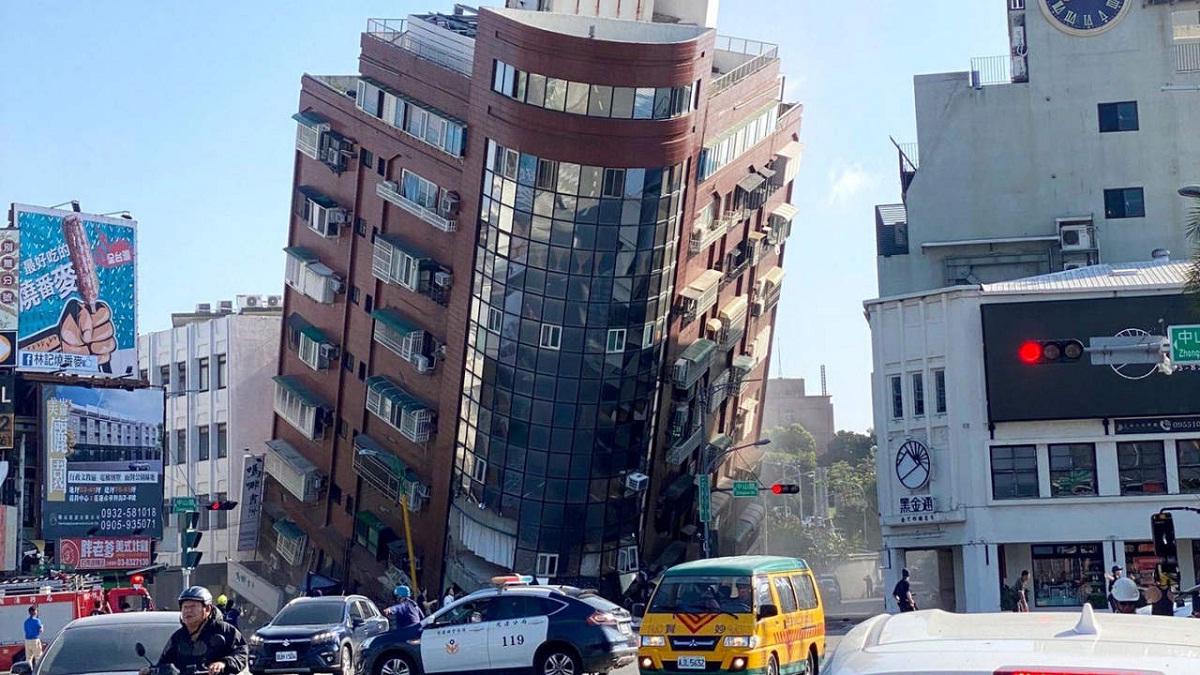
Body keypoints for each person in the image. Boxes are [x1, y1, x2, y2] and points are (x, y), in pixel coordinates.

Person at [141, 586, 248, 675]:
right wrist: (151, 671)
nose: (188, 610)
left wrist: (223, 663)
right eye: (185, 607)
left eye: (192, 607)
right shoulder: (178, 637)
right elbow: (165, 663)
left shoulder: (224, 630)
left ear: (207, 609)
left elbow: (241, 653)